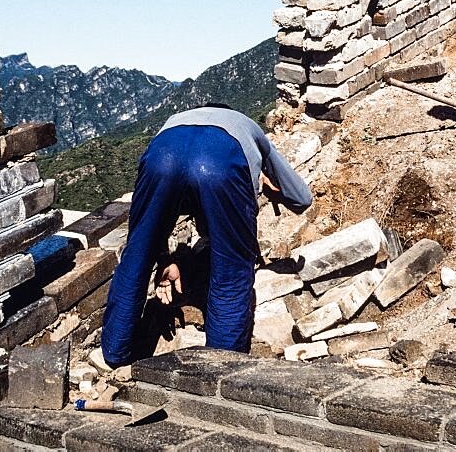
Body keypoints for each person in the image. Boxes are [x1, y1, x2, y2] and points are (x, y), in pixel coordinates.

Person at [101, 105, 312, 366]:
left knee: (136, 256)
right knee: (230, 275)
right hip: (223, 162)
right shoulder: (249, 127)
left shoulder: (173, 120)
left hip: (162, 155)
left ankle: (114, 354)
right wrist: (267, 184)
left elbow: (153, 219)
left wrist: (163, 257)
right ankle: (218, 369)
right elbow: (302, 199)